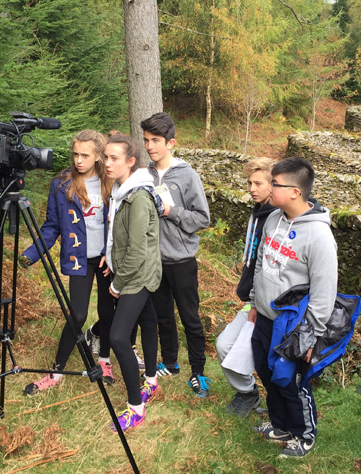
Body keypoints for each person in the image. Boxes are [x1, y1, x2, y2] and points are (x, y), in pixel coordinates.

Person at [249, 157, 338, 458]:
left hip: (292, 328)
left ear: (296, 192)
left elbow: (325, 291)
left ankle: (304, 435)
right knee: (265, 370)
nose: (269, 188)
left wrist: (311, 335)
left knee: (291, 380)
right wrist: (254, 301)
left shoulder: (320, 237)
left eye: (275, 184)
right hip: (264, 317)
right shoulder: (273, 218)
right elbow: (261, 262)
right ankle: (280, 425)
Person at [22, 130, 116, 394]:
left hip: (107, 258)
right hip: (79, 259)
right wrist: (32, 252)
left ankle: (104, 360)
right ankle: (57, 370)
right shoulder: (62, 184)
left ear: (98, 156)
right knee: (78, 314)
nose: (78, 160)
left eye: (85, 155)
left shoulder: (111, 180)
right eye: (75, 154)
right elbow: (51, 225)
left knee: (108, 311)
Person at [140, 112, 211, 397]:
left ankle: (198, 373)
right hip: (155, 260)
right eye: (146, 140)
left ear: (171, 143)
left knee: (190, 318)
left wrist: (171, 212)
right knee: (163, 317)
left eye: (155, 140)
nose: (149, 147)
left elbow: (203, 218)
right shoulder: (146, 174)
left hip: (181, 260)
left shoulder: (187, 175)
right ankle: (170, 363)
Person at [104, 134, 162, 432]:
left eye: (114, 158)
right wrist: (109, 258)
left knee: (118, 337)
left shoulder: (137, 197)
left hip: (136, 275)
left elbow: (138, 250)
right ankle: (151, 381)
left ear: (131, 162)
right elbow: (118, 235)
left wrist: (118, 282)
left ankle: (135, 408)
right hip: (130, 270)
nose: (107, 163)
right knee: (148, 320)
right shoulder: (119, 189)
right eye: (106, 157)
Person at [216, 157, 276, 417]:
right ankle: (248, 394)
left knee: (267, 361)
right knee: (224, 345)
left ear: (274, 185)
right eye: (249, 183)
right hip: (253, 300)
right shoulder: (258, 210)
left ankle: (281, 414)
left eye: (258, 183)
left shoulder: (275, 217)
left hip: (268, 303)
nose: (252, 188)